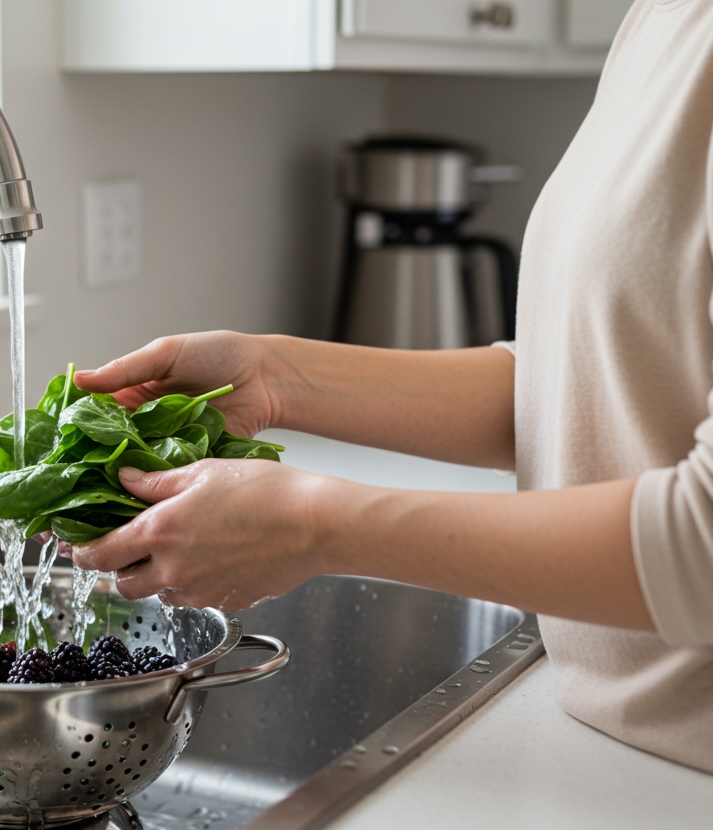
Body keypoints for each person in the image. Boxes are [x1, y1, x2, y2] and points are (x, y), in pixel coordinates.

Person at [67, 0, 713, 774]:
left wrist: (318, 526)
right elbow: (600, 383)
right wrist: (273, 378)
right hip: (618, 760)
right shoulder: (665, 18)